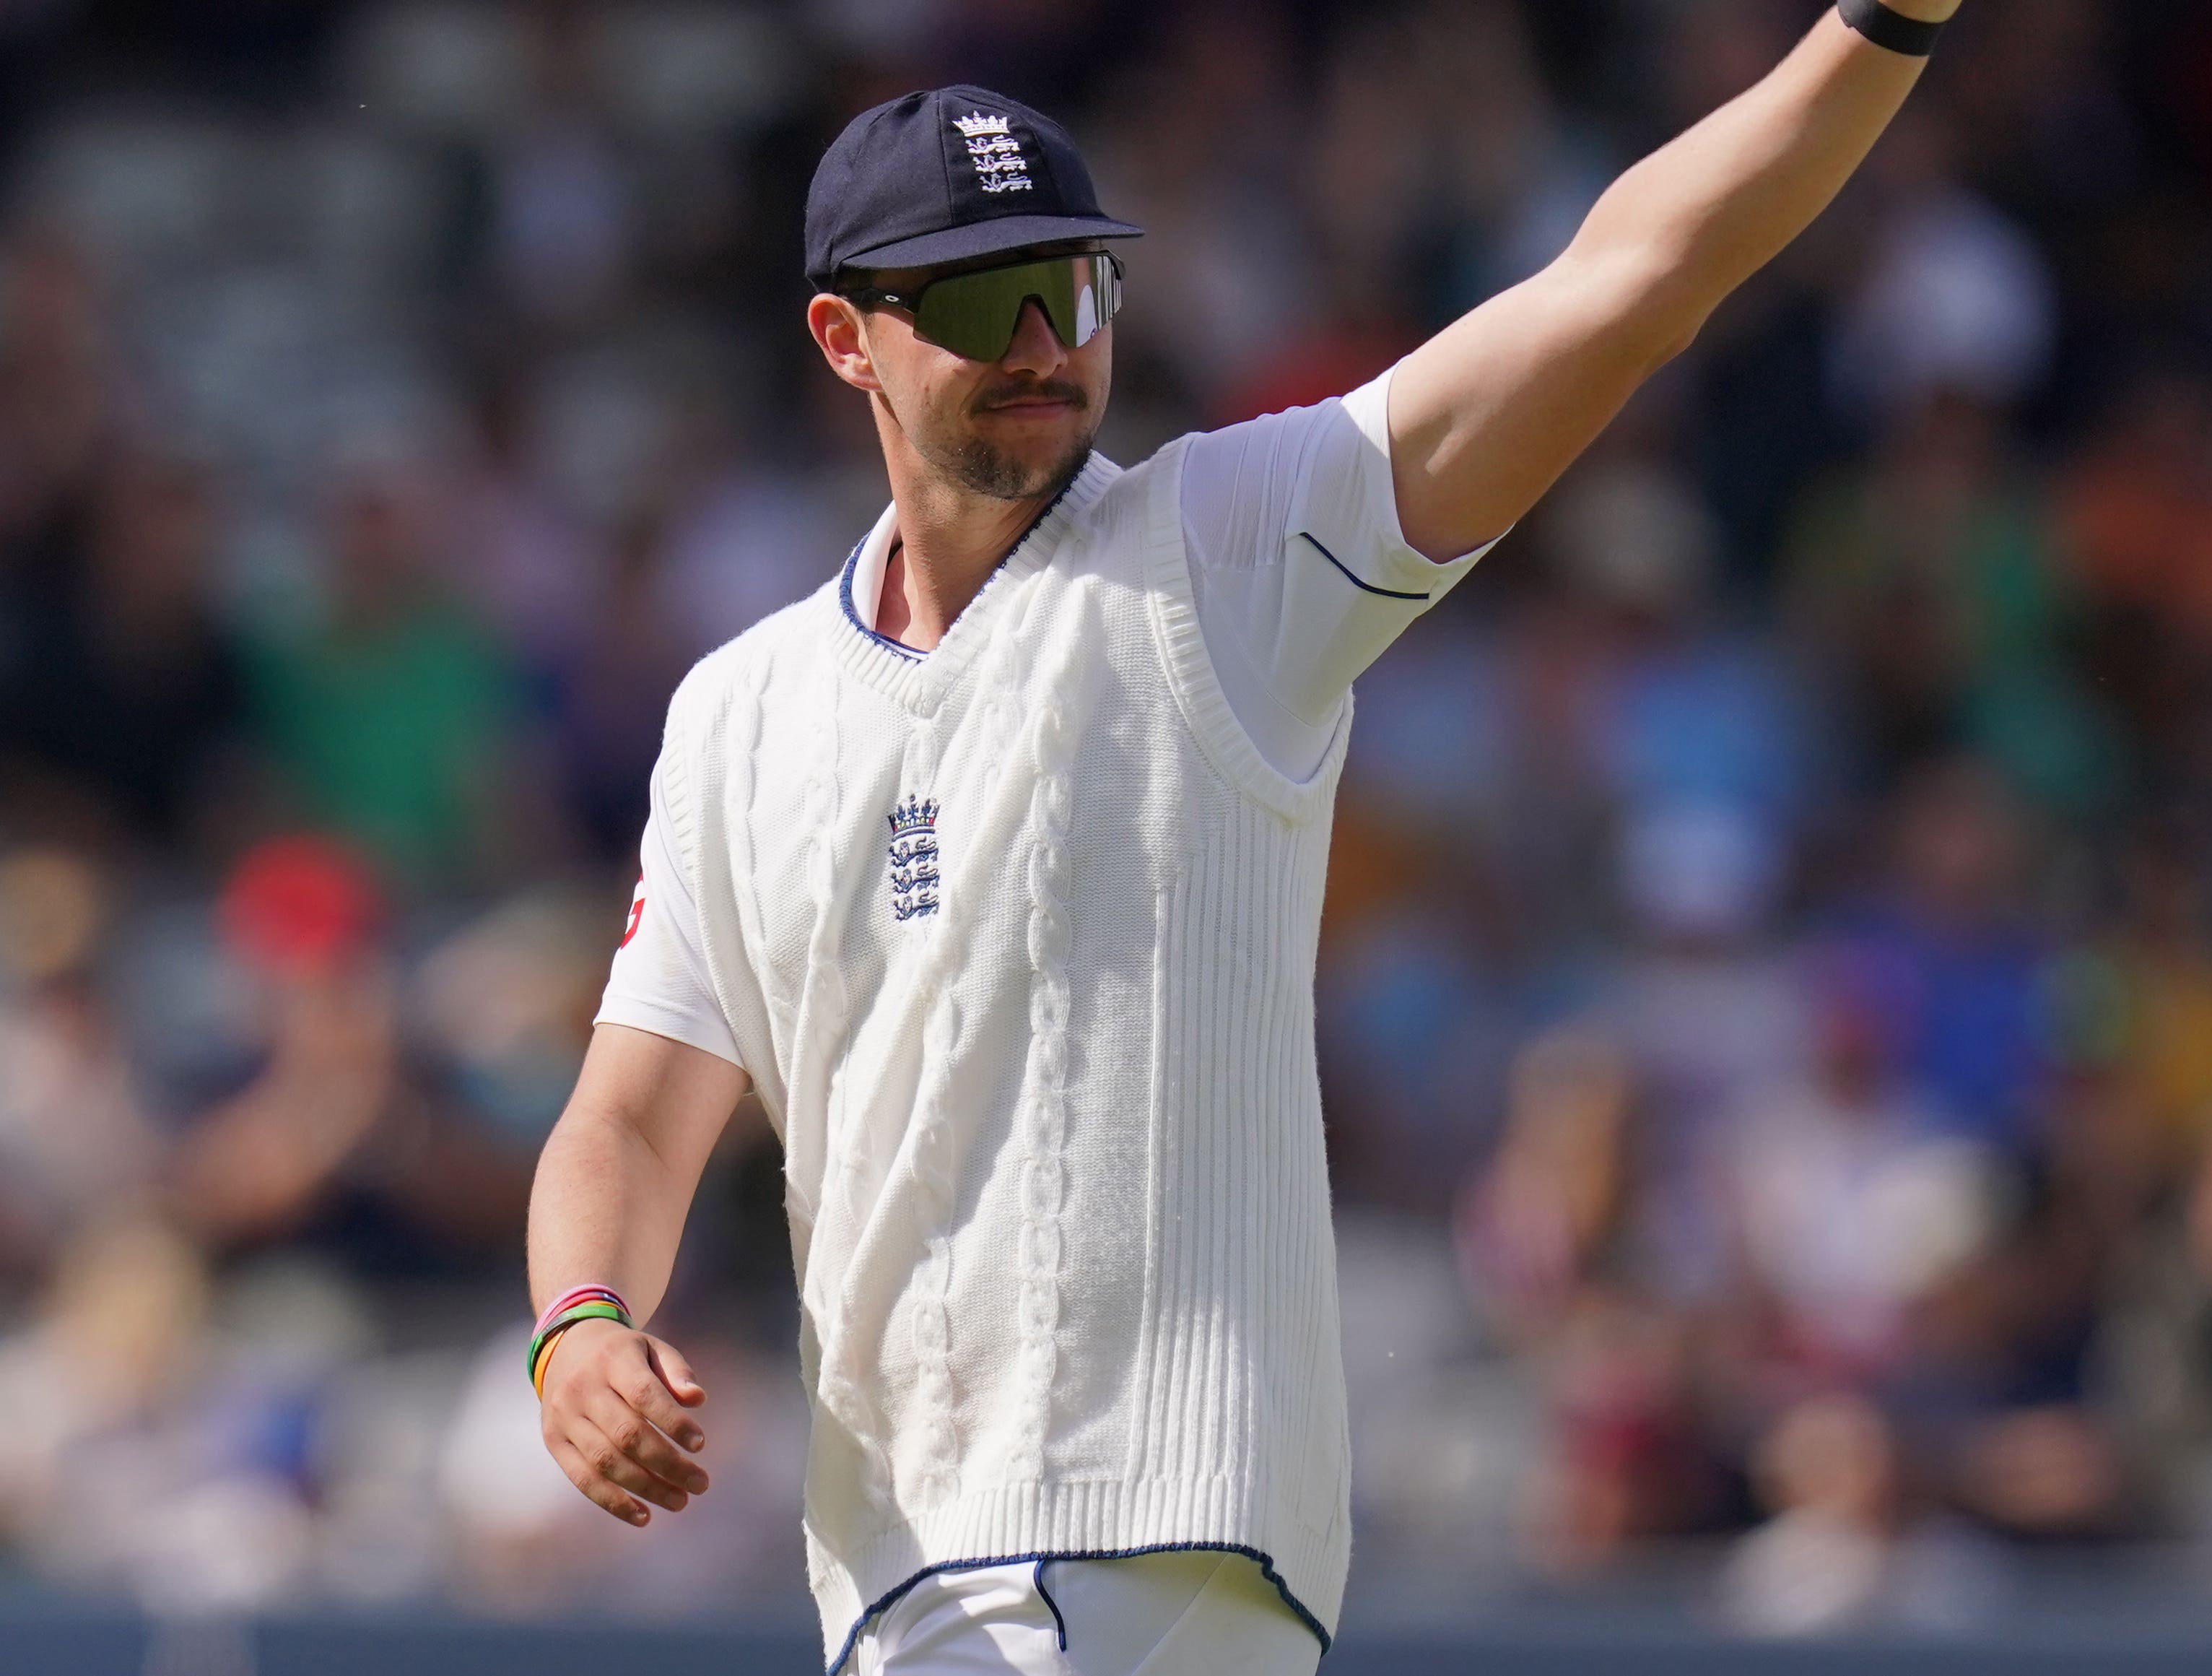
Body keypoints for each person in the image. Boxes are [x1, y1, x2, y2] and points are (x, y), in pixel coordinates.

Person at [523, 4, 1969, 1672]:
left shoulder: (1227, 546)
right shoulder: (740, 710)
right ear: (847, 339)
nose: (1047, 345)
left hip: (1153, 1555)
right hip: (900, 1585)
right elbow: (627, 1119)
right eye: (988, 302)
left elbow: (1624, 281)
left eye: (1077, 292)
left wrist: (1879, 23)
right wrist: (578, 1329)